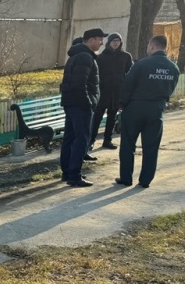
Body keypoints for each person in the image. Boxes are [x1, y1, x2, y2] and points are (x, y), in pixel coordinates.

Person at [115, 35, 180, 188]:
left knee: (128, 144)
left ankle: (126, 178)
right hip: (157, 109)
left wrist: (121, 104)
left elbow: (127, 85)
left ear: (151, 46)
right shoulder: (173, 68)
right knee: (151, 147)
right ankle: (145, 180)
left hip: (135, 108)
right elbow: (170, 89)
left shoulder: (142, 64)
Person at [59, 28, 107, 187]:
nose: (102, 43)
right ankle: (74, 175)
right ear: (91, 39)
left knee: (70, 138)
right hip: (80, 105)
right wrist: (89, 103)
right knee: (81, 139)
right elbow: (80, 84)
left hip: (71, 102)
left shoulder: (76, 55)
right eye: (100, 39)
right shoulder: (85, 57)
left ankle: (67, 172)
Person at [90, 32, 133, 150]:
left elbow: (130, 73)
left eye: (118, 41)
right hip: (103, 91)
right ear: (109, 42)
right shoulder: (100, 57)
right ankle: (91, 140)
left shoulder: (126, 56)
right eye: (113, 41)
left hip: (117, 91)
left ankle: (107, 140)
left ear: (120, 42)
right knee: (97, 117)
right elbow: (95, 74)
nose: (115, 43)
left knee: (112, 117)